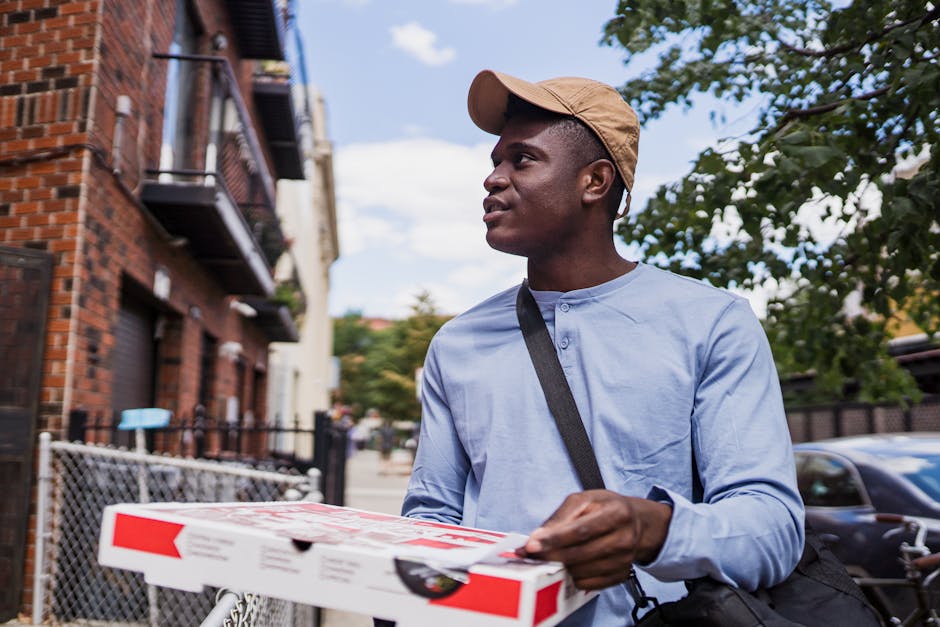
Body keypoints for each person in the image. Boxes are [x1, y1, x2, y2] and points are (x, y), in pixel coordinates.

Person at [399, 70, 805, 626]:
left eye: (522, 160)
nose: (492, 179)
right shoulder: (457, 343)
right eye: (495, 161)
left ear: (594, 181)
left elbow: (771, 529)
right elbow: (432, 514)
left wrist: (651, 528)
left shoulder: (711, 323)